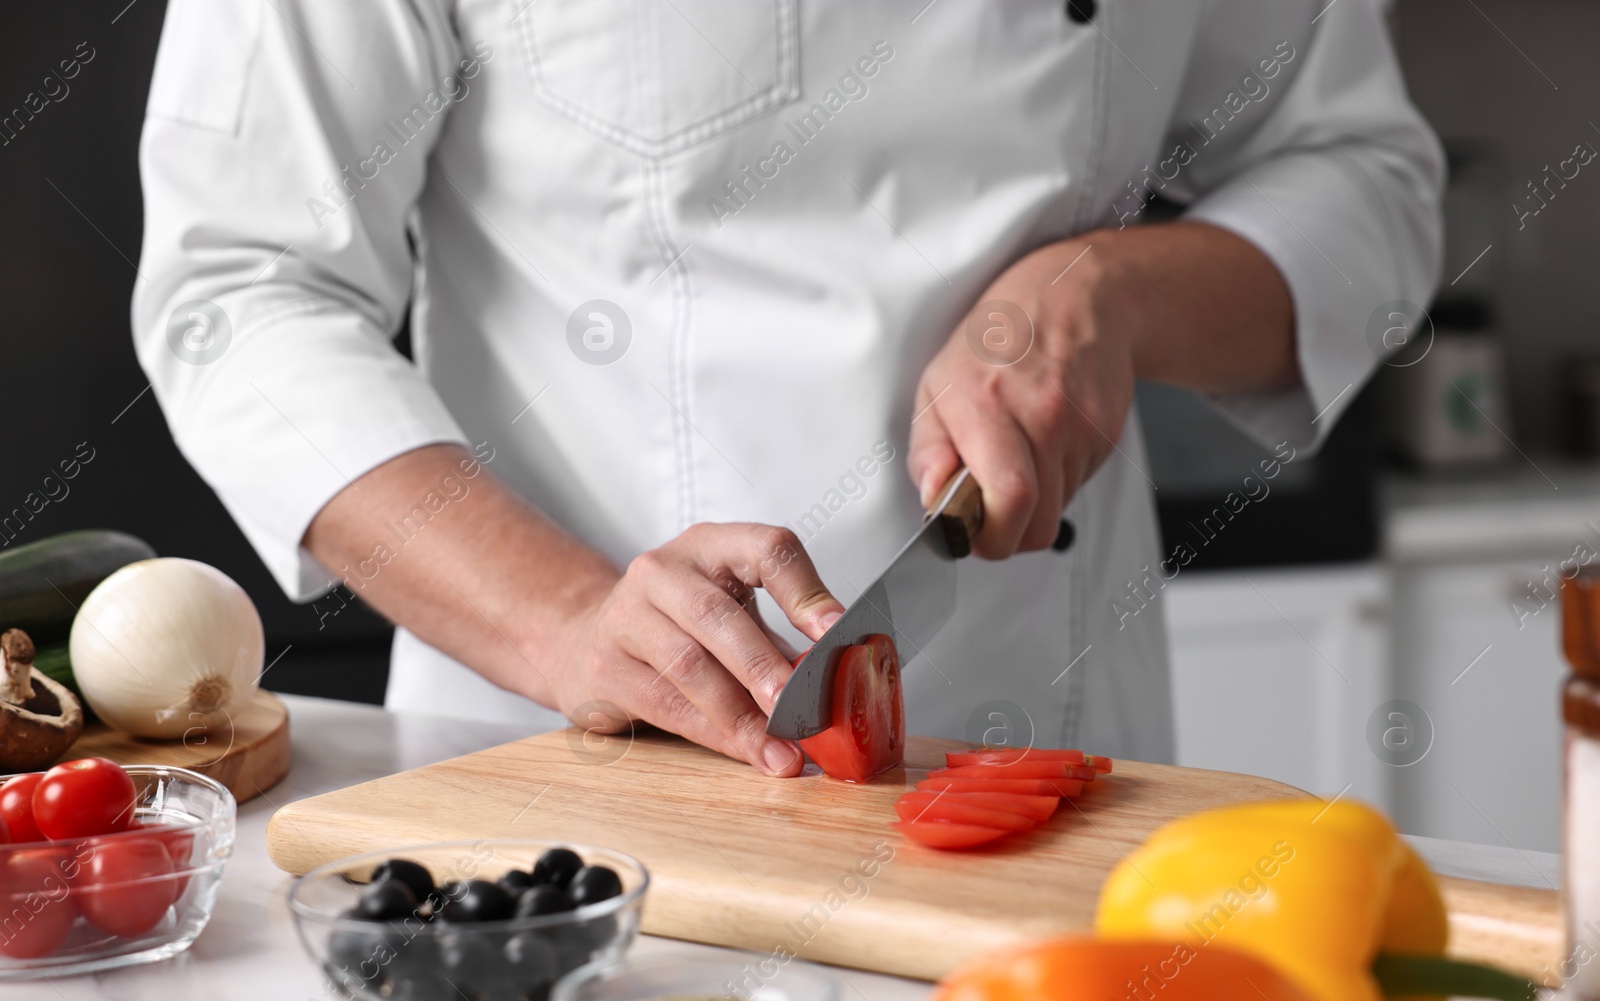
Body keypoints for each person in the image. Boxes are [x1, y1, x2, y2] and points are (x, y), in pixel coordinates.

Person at [133, 0, 1442, 776]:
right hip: (574, 781)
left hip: (1049, 762)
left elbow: (1362, 179)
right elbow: (241, 283)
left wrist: (1111, 291)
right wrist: (568, 623)